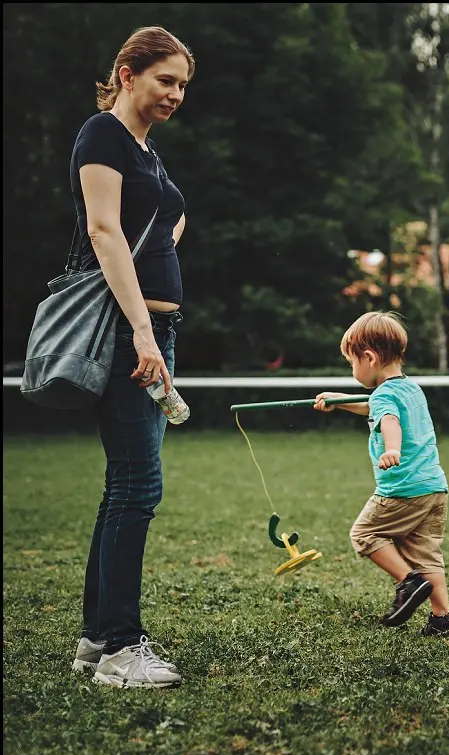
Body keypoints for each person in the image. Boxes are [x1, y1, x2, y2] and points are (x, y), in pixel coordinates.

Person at [66, 27, 194, 688]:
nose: (175, 94)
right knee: (139, 487)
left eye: (182, 85)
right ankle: (120, 647)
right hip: (124, 332)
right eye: (165, 80)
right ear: (127, 72)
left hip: (152, 331)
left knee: (125, 487)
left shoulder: (145, 149)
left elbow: (161, 220)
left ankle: (97, 641)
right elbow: (102, 228)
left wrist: (165, 253)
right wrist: (143, 328)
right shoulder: (102, 135)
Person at [314, 312, 449, 636]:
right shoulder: (409, 388)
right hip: (433, 488)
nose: (352, 370)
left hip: (402, 489)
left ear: (369, 357)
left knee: (364, 535)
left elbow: (387, 420)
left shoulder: (384, 396)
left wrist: (391, 449)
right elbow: (374, 408)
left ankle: (409, 583)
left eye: (351, 362)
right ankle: (444, 618)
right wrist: (339, 401)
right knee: (425, 553)